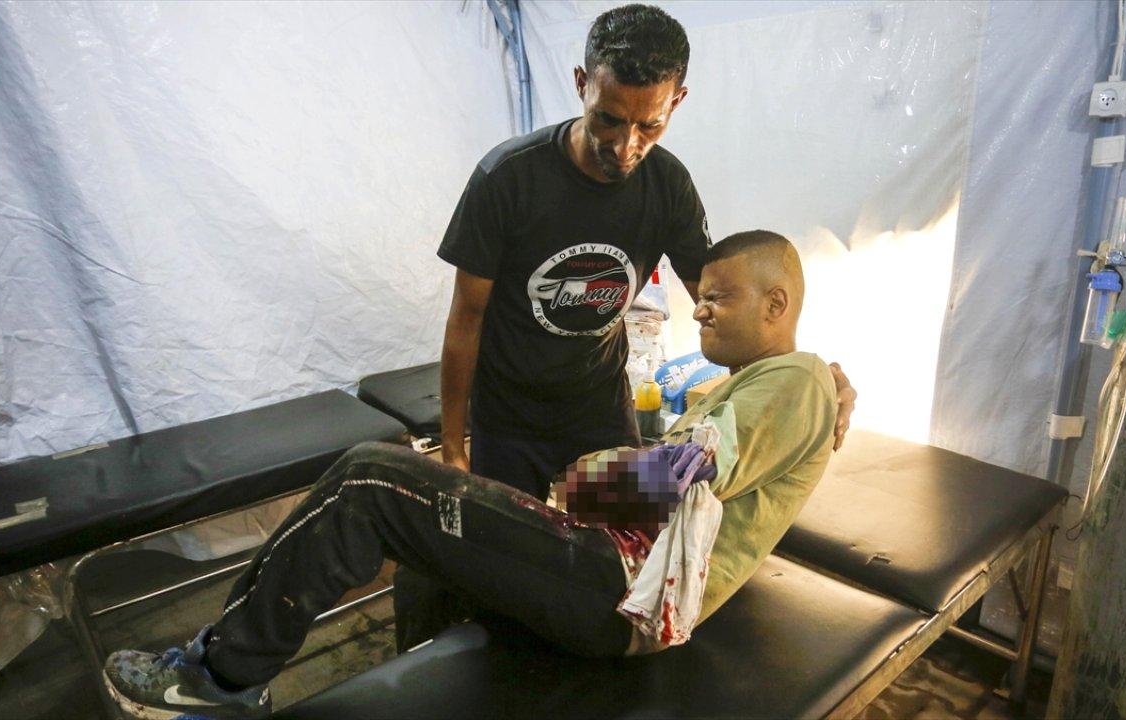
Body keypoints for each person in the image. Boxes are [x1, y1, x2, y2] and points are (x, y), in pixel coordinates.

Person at [103, 231, 839, 719]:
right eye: (699, 295)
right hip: (615, 572)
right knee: (424, 552)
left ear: (776, 303)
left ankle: (215, 680)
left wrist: (581, 479)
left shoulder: (798, 379)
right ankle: (418, 687)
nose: (700, 310)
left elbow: (665, 482)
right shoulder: (747, 386)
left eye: (719, 297)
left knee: (372, 480)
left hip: (623, 587)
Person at [410, 1, 856, 650]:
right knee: (497, 588)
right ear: (580, 84)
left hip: (597, 413)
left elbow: (724, 305)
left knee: (582, 576)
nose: (626, 147)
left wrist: (810, 375)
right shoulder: (508, 178)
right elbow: (465, 320)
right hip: (508, 417)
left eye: (650, 125)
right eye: (608, 120)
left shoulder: (667, 187)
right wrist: (455, 447)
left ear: (677, 100)